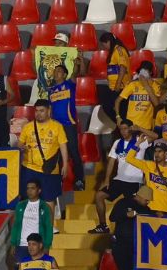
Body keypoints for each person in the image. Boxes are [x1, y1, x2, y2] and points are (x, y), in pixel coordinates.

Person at [18, 99, 69, 221]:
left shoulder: (57, 127)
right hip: (29, 167)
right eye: (36, 111)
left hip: (49, 169)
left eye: (42, 111)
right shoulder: (28, 127)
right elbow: (19, 143)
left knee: (48, 199)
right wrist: (22, 147)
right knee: (27, 197)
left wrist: (65, 165)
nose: (38, 114)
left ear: (49, 111)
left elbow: (63, 146)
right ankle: (28, 226)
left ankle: (49, 228)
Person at [91, 123, 144, 234]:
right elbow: (111, 161)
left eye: (125, 128)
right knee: (99, 195)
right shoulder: (117, 142)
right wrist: (106, 180)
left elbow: (155, 136)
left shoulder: (140, 140)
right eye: (121, 129)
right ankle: (103, 226)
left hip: (134, 181)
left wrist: (139, 128)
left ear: (131, 128)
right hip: (119, 179)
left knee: (132, 207)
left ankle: (135, 230)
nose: (123, 131)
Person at [39, 59, 83, 188]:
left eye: (60, 71)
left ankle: (79, 180)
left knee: (74, 152)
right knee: (56, 154)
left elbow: (75, 74)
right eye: (55, 71)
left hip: (69, 123)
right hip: (56, 127)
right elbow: (50, 109)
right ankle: (58, 180)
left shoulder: (70, 84)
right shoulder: (51, 91)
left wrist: (76, 64)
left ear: (64, 75)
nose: (57, 73)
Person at [125, 140, 167, 215]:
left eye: (160, 151)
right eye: (155, 151)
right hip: (151, 208)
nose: (157, 154)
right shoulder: (149, 165)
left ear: (166, 153)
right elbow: (129, 158)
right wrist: (137, 143)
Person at [9, 180, 53, 270]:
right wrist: (13, 244)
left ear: (39, 190)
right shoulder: (20, 205)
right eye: (28, 188)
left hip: (37, 246)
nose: (29, 191)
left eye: (32, 188)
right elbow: (16, 225)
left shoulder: (45, 207)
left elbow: (48, 227)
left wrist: (47, 246)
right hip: (21, 245)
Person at [111, 187, 153, 270]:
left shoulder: (146, 209)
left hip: (139, 247)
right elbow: (112, 217)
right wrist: (126, 214)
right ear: (140, 196)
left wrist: (157, 215)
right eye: (146, 200)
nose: (148, 202)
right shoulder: (123, 203)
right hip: (122, 244)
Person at [119, 60, 160, 132]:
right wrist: (118, 117)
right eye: (142, 70)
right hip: (131, 124)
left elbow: (156, 104)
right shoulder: (133, 84)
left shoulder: (155, 85)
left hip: (146, 125)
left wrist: (146, 85)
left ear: (150, 72)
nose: (143, 73)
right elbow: (118, 100)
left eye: (146, 71)